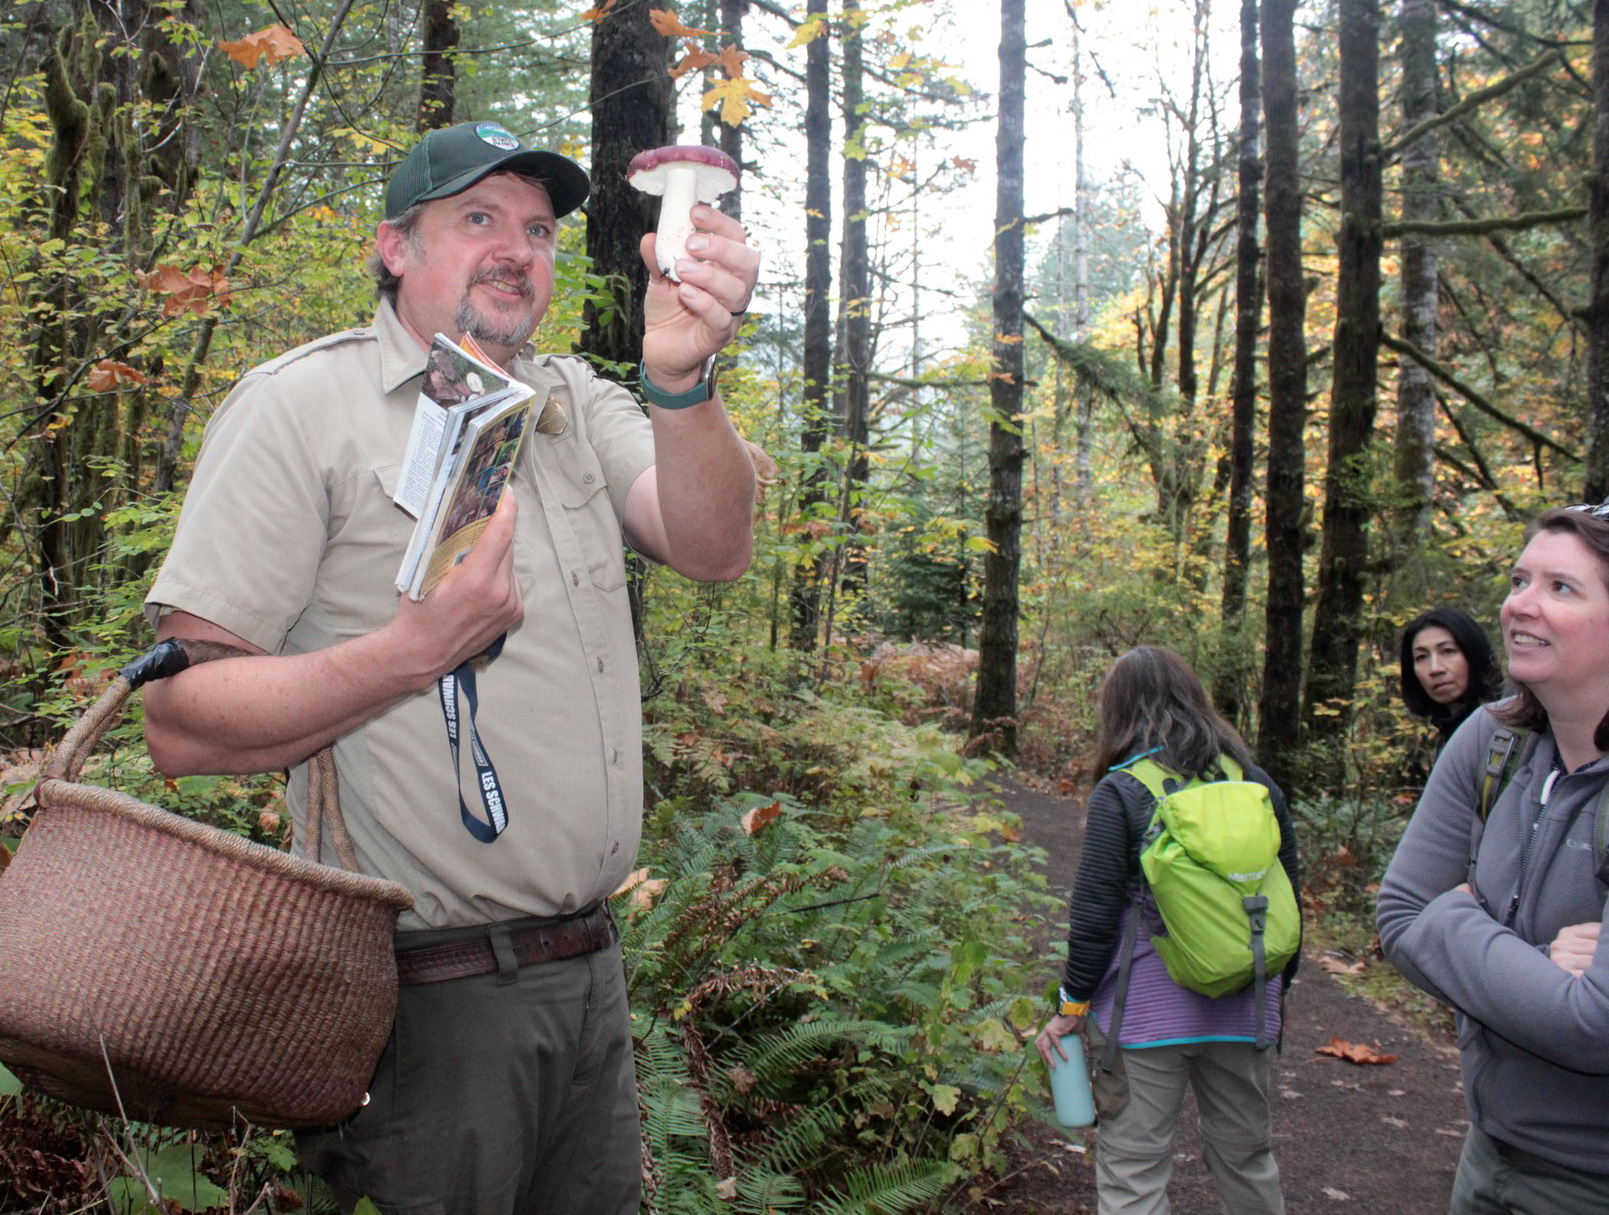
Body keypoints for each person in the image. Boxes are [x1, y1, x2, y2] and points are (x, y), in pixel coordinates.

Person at [139, 120, 760, 1214]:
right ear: (393, 246)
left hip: (590, 981)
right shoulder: (301, 409)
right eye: (477, 218)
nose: (518, 248)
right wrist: (407, 656)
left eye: (537, 228)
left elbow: (712, 547)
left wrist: (684, 377)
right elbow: (180, 724)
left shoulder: (574, 403)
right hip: (420, 1007)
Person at [1378, 504, 1609, 1215]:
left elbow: (1592, 1027)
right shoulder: (1492, 739)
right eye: (1517, 579)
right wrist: (1538, 958)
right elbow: (1396, 915)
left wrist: (1453, 915)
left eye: (1560, 587)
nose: (1517, 604)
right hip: (1485, 1154)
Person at [1035, 646, 1299, 1215]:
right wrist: (1275, 994)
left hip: (1143, 1017)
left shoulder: (1124, 790)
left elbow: (1096, 912)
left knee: (1134, 1169)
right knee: (1248, 1162)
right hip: (1243, 1009)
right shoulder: (1254, 782)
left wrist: (1071, 1006)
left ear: (1119, 711)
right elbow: (1289, 900)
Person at [1399, 607, 1501, 748]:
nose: (1435, 668)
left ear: (1473, 653)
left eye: (1448, 651)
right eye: (1421, 657)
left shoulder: (1507, 728)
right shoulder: (1445, 735)